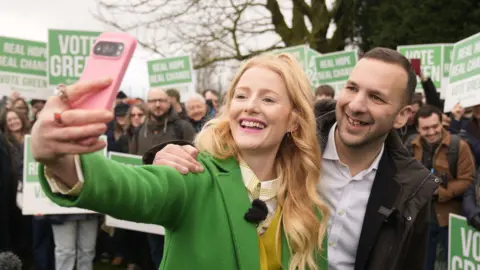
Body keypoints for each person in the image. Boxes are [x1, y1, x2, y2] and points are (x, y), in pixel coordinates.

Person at [31, 53, 330, 270]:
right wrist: (62, 160)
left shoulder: (309, 205)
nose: (250, 106)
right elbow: (130, 188)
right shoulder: (195, 174)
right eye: (241, 96)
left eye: (267, 99)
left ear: (293, 120)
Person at [150, 47, 438, 270]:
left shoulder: (413, 189)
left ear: (403, 115)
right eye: (351, 88)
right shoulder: (291, 142)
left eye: (376, 98)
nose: (357, 105)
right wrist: (169, 154)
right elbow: (229, 146)